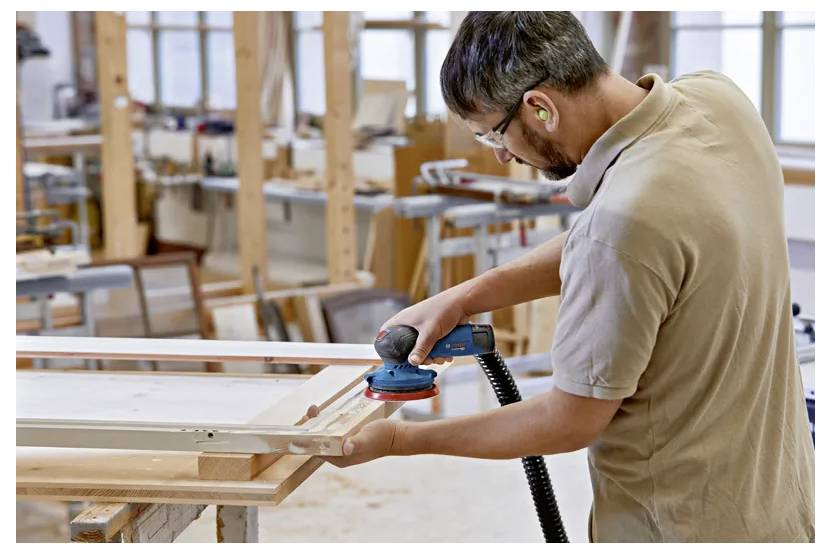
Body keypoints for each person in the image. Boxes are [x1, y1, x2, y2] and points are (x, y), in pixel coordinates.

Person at [323, 12, 814, 542]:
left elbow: (568, 420)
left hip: (680, 527)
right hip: (782, 504)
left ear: (540, 107)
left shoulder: (623, 224)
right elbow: (622, 242)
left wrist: (401, 441)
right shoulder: (718, 101)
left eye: (494, 135)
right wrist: (466, 297)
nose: (505, 155)